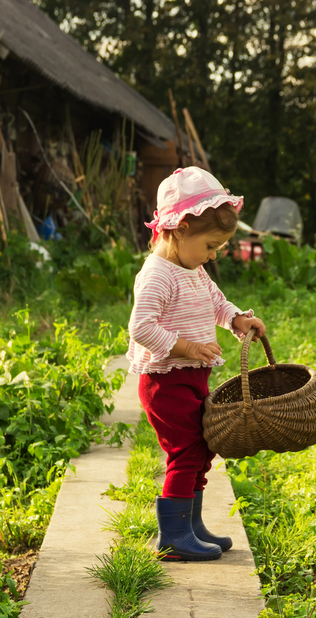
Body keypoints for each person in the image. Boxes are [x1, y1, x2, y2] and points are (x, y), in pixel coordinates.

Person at [127, 167, 266, 562]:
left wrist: (237, 319)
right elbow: (141, 327)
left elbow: (217, 302)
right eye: (210, 244)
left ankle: (191, 525)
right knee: (185, 451)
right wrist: (185, 347)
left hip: (191, 378)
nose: (214, 253)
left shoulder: (193, 268)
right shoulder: (157, 274)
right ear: (180, 229)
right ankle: (172, 537)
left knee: (202, 448)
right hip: (165, 382)